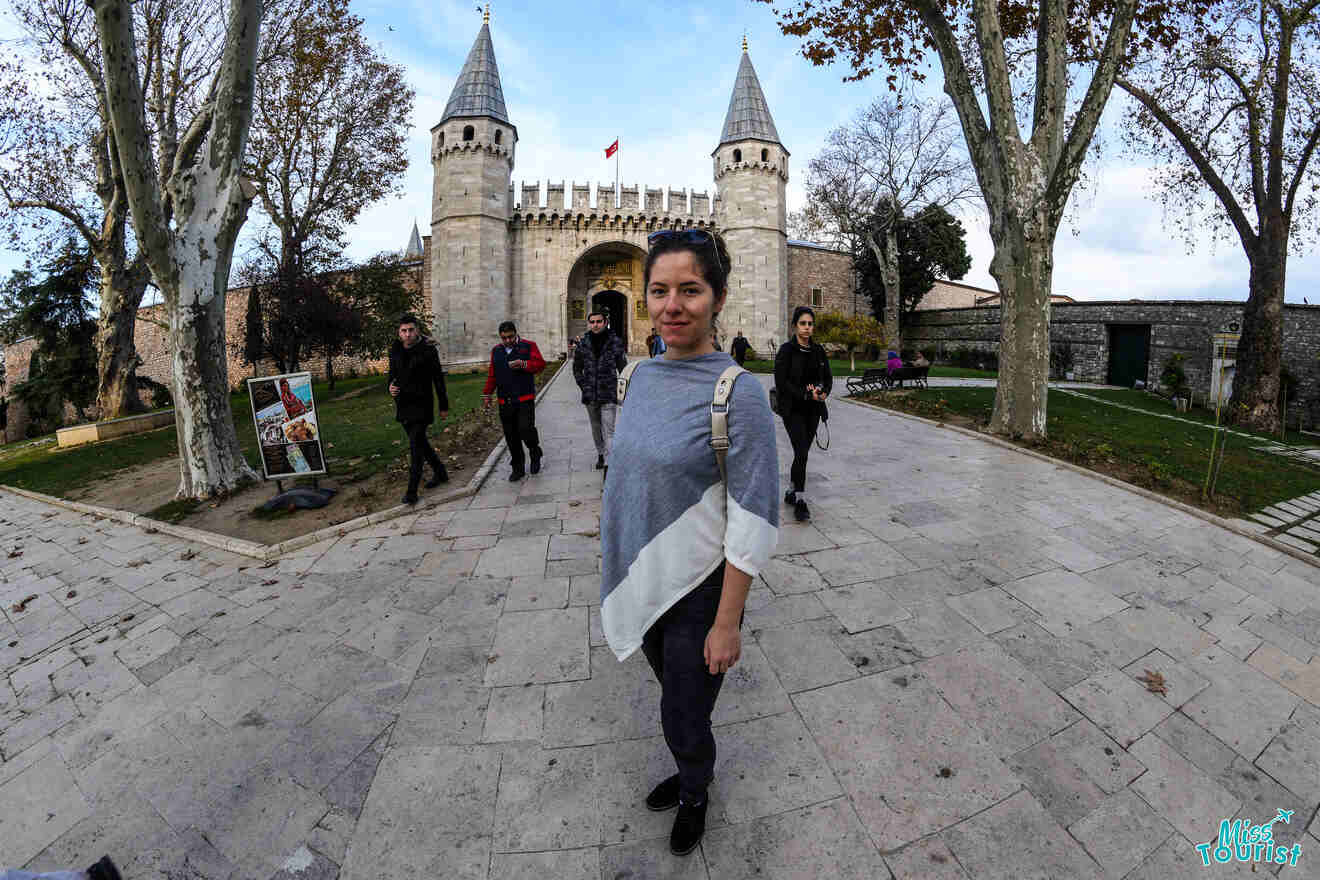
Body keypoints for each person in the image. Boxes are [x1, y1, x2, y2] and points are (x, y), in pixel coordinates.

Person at [601, 228, 779, 857]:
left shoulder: (741, 394)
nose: (672, 305)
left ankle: (696, 790)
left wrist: (728, 622)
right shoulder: (637, 378)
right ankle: (689, 768)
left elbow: (754, 515)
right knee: (679, 701)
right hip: (646, 578)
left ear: (718, 296)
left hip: (702, 589)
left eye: (690, 290)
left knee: (682, 709)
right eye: (659, 290)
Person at [774, 306, 832, 522]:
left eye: (810, 324)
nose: (807, 328)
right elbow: (782, 382)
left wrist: (823, 392)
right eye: (803, 324)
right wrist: (806, 395)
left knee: (802, 453)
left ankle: (791, 490)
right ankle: (800, 499)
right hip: (793, 410)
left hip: (813, 411)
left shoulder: (818, 351)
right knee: (802, 451)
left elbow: (828, 377)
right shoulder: (786, 351)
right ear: (795, 326)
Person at [388, 314, 449, 505]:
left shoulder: (428, 351)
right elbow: (391, 375)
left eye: (411, 330)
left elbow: (438, 379)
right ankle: (440, 472)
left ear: (417, 330)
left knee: (415, 447)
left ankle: (411, 491)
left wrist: (443, 405)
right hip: (403, 405)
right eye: (403, 331)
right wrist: (389, 387)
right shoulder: (395, 350)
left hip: (422, 406)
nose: (407, 334)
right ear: (399, 333)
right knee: (421, 443)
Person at [483, 320, 546, 481]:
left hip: (525, 398)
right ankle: (517, 467)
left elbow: (540, 364)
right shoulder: (496, 351)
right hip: (505, 400)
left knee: (526, 429)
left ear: (515, 333)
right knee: (511, 436)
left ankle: (534, 450)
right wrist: (487, 394)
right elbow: (493, 374)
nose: (508, 341)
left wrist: (524, 364)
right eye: (504, 338)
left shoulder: (528, 346)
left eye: (510, 337)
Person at [573, 309, 628, 474]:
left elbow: (623, 368)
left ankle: (609, 463)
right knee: (596, 427)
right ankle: (601, 453)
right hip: (590, 395)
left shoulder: (615, 342)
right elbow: (577, 368)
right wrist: (583, 385)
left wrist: (621, 390)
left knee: (609, 429)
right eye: (592, 322)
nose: (595, 325)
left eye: (599, 321)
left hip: (608, 392)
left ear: (605, 323)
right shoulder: (583, 343)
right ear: (589, 323)